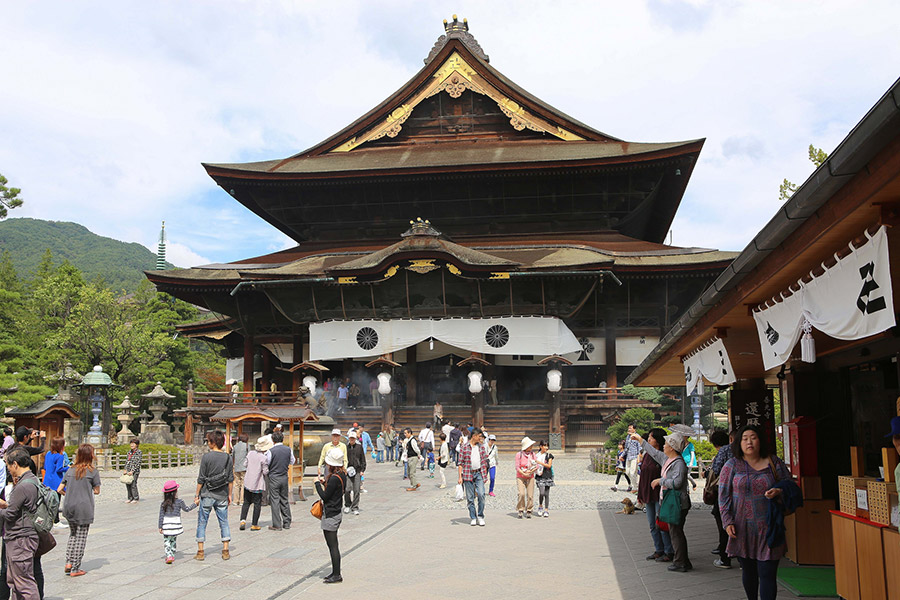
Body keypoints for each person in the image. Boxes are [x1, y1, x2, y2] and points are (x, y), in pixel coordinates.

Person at [719, 425, 794, 600]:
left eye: (753, 437)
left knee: (767, 573)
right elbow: (723, 496)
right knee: (749, 572)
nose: (749, 442)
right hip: (742, 528)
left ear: (760, 441)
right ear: (738, 443)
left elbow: (790, 486)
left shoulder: (774, 462)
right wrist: (727, 521)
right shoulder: (732, 465)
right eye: (744, 438)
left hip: (769, 527)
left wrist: (779, 491)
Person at [631, 430, 692, 572]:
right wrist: (641, 440)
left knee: (676, 533)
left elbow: (677, 482)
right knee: (674, 532)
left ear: (672, 447)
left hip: (678, 503)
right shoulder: (667, 459)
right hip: (670, 501)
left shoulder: (679, 463)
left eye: (665, 444)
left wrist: (660, 481)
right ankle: (682, 560)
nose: (663, 446)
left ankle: (680, 561)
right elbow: (652, 452)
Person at [0, 448, 40, 597]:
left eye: (8, 465)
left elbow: (10, 515)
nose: (8, 469)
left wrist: (3, 509)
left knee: (24, 583)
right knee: (15, 581)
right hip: (23, 536)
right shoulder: (33, 480)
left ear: (15, 464)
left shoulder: (23, 486)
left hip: (20, 539)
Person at [57, 443, 101, 577]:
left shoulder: (70, 470)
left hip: (69, 506)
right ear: (90, 456)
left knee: (73, 534)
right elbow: (97, 491)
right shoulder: (93, 471)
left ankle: (68, 562)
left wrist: (69, 493)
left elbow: (59, 489)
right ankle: (75, 568)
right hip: (83, 507)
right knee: (81, 537)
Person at [194, 430, 233, 561]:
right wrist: (230, 494)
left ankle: (200, 551)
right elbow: (230, 478)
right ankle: (226, 550)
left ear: (213, 442)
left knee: (202, 522)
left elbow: (201, 478)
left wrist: (197, 494)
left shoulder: (206, 457)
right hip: (222, 494)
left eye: (209, 441)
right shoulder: (228, 457)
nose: (208, 443)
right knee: (224, 522)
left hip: (207, 493)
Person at [638, 428, 674, 563]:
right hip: (648, 493)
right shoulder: (647, 454)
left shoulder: (661, 456)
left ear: (658, 440)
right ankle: (658, 549)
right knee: (652, 524)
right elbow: (643, 476)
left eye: (651, 438)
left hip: (659, 494)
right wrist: (640, 493)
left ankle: (669, 550)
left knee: (662, 524)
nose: (649, 439)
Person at [316, 447, 347, 584]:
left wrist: (317, 484)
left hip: (331, 513)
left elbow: (325, 496)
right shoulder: (342, 475)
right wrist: (325, 483)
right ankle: (335, 572)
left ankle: (337, 574)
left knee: (333, 545)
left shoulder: (334, 478)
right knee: (332, 545)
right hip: (337, 510)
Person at [708, 429, 734, 569]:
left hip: (724, 491)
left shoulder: (723, 451)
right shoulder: (738, 450)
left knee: (724, 522)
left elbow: (716, 469)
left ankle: (725, 557)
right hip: (740, 493)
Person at [158, 480, 196, 564]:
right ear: (175, 492)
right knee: (173, 540)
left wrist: (160, 526)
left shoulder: (163, 504)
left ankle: (169, 555)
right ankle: (172, 553)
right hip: (175, 525)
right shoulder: (179, 502)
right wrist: (195, 504)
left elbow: (161, 516)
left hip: (166, 525)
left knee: (167, 541)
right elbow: (187, 509)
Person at [458, 427, 489, 526]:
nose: (481, 438)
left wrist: (485, 475)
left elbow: (484, 461)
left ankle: (480, 515)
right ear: (474, 436)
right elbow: (460, 463)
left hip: (479, 473)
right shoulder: (464, 447)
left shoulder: (481, 447)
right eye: (479, 436)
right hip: (468, 474)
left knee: (481, 494)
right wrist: (460, 477)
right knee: (470, 498)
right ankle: (473, 516)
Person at [265, 431, 294, 531]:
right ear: (283, 439)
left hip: (274, 477)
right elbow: (292, 461)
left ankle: (277, 524)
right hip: (284, 476)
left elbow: (267, 463)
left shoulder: (270, 451)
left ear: (273, 440)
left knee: (275, 500)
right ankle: (287, 522)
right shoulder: (288, 449)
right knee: (284, 499)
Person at [240, 438, 268, 531]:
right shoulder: (263, 458)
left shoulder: (250, 453)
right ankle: (254, 524)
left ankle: (243, 520)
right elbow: (265, 471)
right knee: (257, 504)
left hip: (248, 481)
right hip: (257, 483)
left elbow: (245, 464)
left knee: (246, 502)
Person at [343, 431, 366, 516]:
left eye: (353, 438)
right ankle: (347, 504)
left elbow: (362, 459)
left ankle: (355, 507)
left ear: (355, 439)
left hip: (357, 470)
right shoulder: (345, 447)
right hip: (348, 471)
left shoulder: (359, 447)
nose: (352, 440)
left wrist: (362, 470)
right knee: (347, 489)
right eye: (350, 438)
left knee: (356, 490)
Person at [515, 437, 538, 518]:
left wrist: (530, 472)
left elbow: (536, 465)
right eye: (530, 445)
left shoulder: (533, 454)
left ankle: (529, 509)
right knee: (521, 493)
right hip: (521, 476)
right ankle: (520, 508)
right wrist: (524, 473)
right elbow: (517, 467)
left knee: (530, 495)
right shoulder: (519, 455)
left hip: (530, 475)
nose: (531, 447)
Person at [535, 440, 554, 518]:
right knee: (541, 492)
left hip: (547, 475)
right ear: (541, 446)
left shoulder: (549, 455)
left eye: (547, 446)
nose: (546, 447)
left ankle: (546, 509)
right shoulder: (536, 455)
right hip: (540, 475)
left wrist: (539, 462)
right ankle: (540, 506)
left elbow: (549, 465)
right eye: (544, 445)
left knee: (546, 494)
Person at [231, 434, 249, 506]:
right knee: (243, 484)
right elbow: (249, 456)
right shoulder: (247, 446)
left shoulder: (235, 446)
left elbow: (233, 456)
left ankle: (235, 500)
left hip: (236, 467)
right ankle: (242, 500)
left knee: (236, 484)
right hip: (244, 467)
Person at [123, 439, 142, 503]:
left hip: (135, 471)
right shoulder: (129, 452)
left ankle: (135, 498)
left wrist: (132, 471)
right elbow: (127, 461)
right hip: (128, 470)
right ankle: (130, 497)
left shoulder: (139, 452)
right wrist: (125, 469)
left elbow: (138, 462)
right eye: (131, 443)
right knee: (127, 483)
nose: (132, 445)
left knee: (133, 484)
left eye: (133, 444)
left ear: (137, 445)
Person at [623, 424, 641, 492]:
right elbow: (626, 447)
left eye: (630, 428)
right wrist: (622, 455)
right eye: (628, 428)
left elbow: (639, 448)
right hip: (628, 456)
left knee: (632, 472)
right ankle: (635, 484)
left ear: (634, 429)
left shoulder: (637, 436)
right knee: (627, 472)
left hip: (634, 456)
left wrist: (639, 457)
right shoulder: (628, 437)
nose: (629, 430)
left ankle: (635, 487)